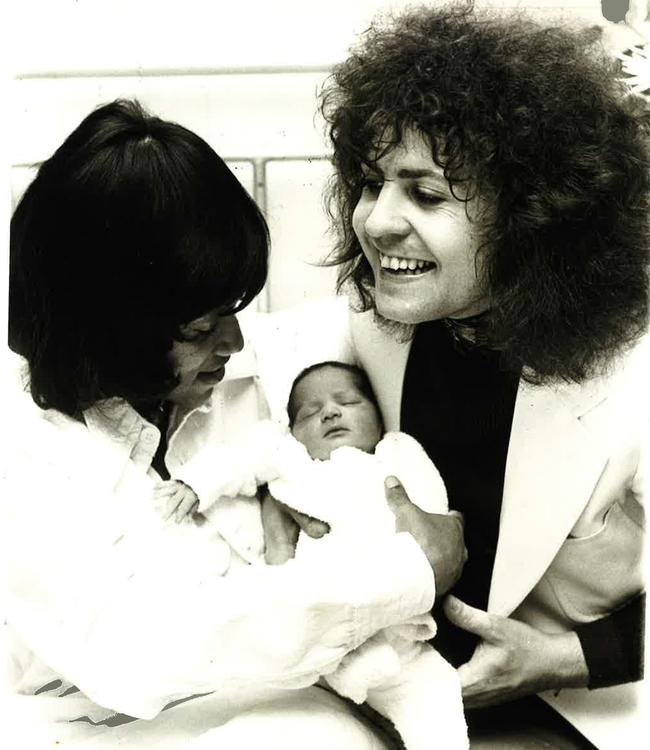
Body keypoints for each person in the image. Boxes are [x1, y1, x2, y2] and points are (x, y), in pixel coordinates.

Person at [2, 99, 466, 749]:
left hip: (287, 708)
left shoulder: (264, 365)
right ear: (110, 334)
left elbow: (421, 305)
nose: (234, 339)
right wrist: (408, 572)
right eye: (200, 327)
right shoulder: (21, 450)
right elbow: (138, 651)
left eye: (234, 308)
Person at [262, 5, 648, 748]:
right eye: (372, 184)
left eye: (426, 193)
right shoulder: (381, 317)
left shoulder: (634, 370)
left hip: (576, 704)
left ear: (533, 214)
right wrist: (277, 500)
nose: (375, 222)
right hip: (389, 684)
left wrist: (565, 658)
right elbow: (269, 370)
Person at [155, 359, 469, 749]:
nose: (331, 412)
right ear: (294, 431)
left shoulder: (395, 452)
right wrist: (195, 485)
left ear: (378, 413)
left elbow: (430, 505)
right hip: (312, 618)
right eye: (311, 412)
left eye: (349, 402)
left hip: (397, 627)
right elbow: (241, 457)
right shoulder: (292, 460)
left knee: (436, 698)